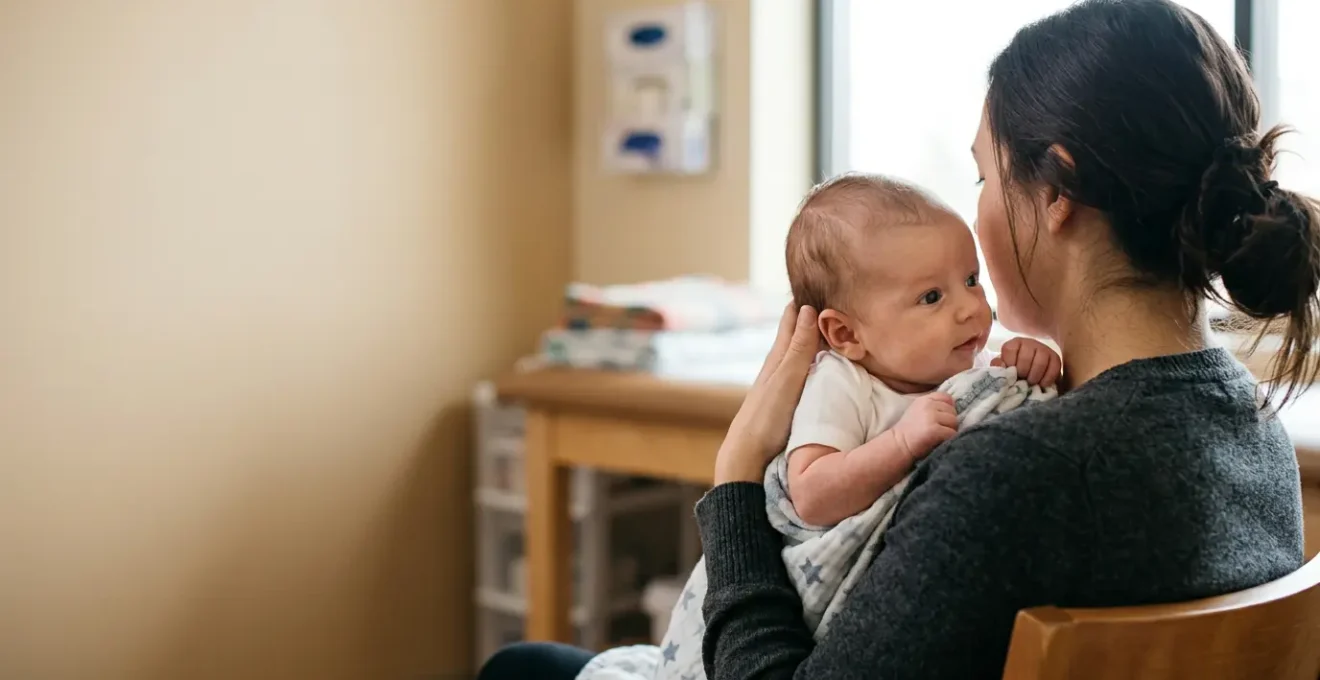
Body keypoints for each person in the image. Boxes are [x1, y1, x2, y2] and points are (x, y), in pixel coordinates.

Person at [478, 0, 1317, 677]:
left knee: (521, 667)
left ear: (1059, 191)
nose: (980, 207)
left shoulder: (1015, 472)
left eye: (987, 176)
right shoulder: (1254, 433)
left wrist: (736, 483)